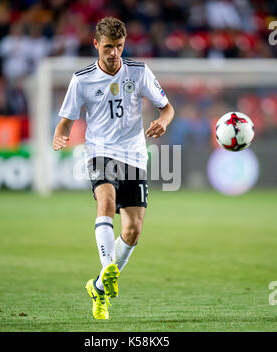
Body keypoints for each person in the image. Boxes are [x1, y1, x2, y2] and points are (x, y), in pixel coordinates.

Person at [53, 17, 174, 320]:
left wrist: (163, 121)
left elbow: (167, 107)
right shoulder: (82, 79)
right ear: (96, 44)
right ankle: (108, 267)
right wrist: (60, 134)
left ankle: (98, 286)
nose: (114, 54)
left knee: (133, 231)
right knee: (105, 203)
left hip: (133, 155)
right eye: (108, 47)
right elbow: (66, 120)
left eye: (119, 47)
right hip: (100, 152)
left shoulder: (140, 72)